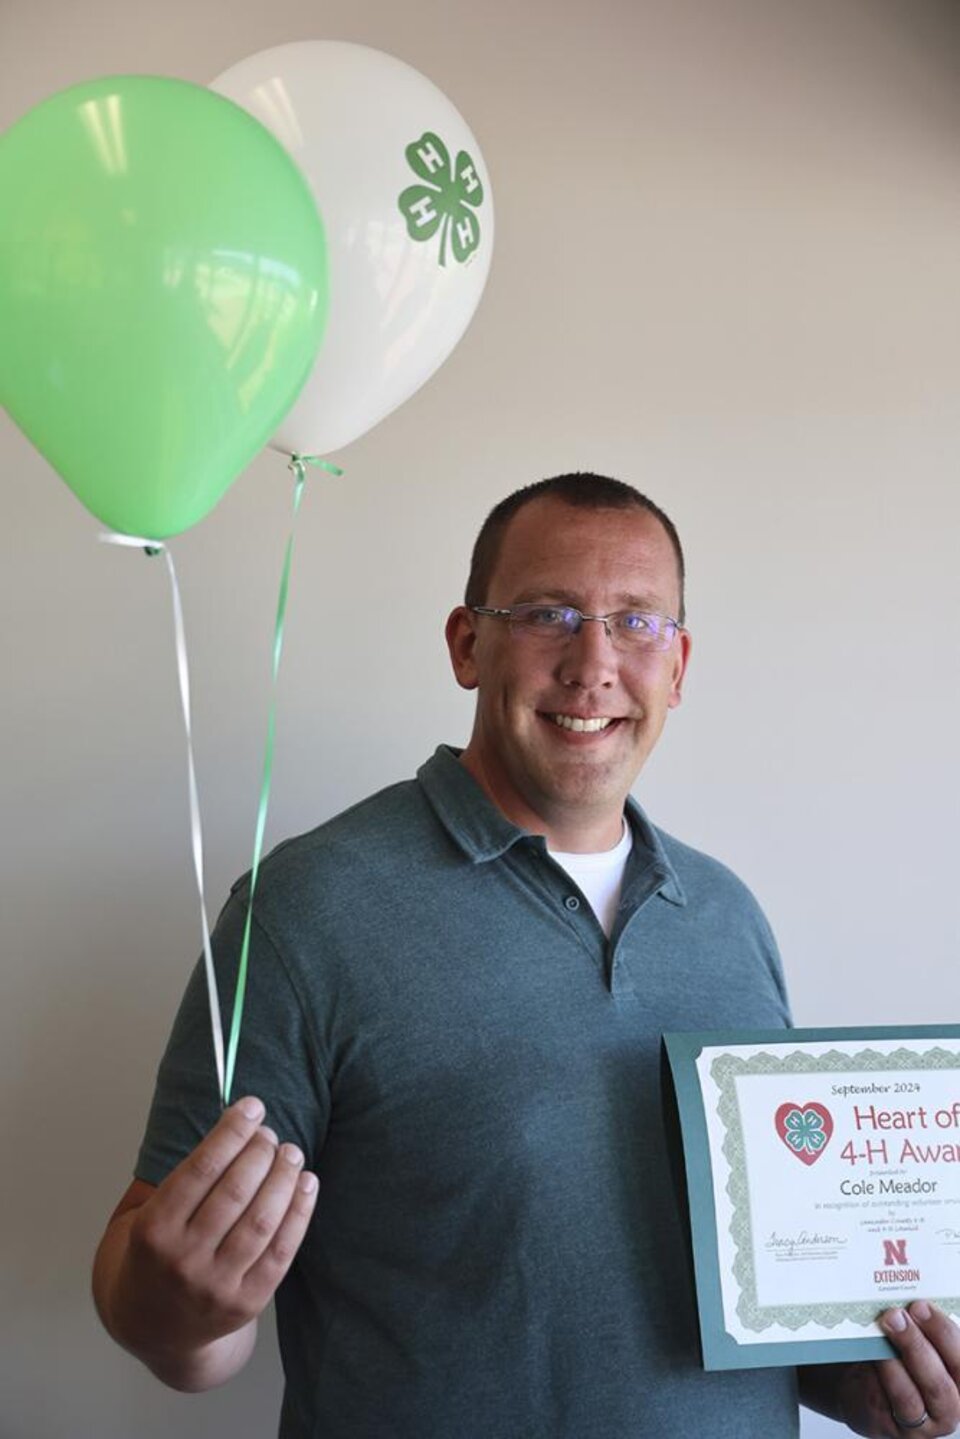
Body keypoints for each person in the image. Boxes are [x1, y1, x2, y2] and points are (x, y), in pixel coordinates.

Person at [94, 474, 960, 1438]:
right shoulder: (305, 910)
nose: (593, 664)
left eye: (637, 622)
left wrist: (861, 1379)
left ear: (678, 667)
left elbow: (750, 1295)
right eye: (550, 613)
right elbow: (160, 1298)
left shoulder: (726, 917)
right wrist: (184, 1314)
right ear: (469, 643)